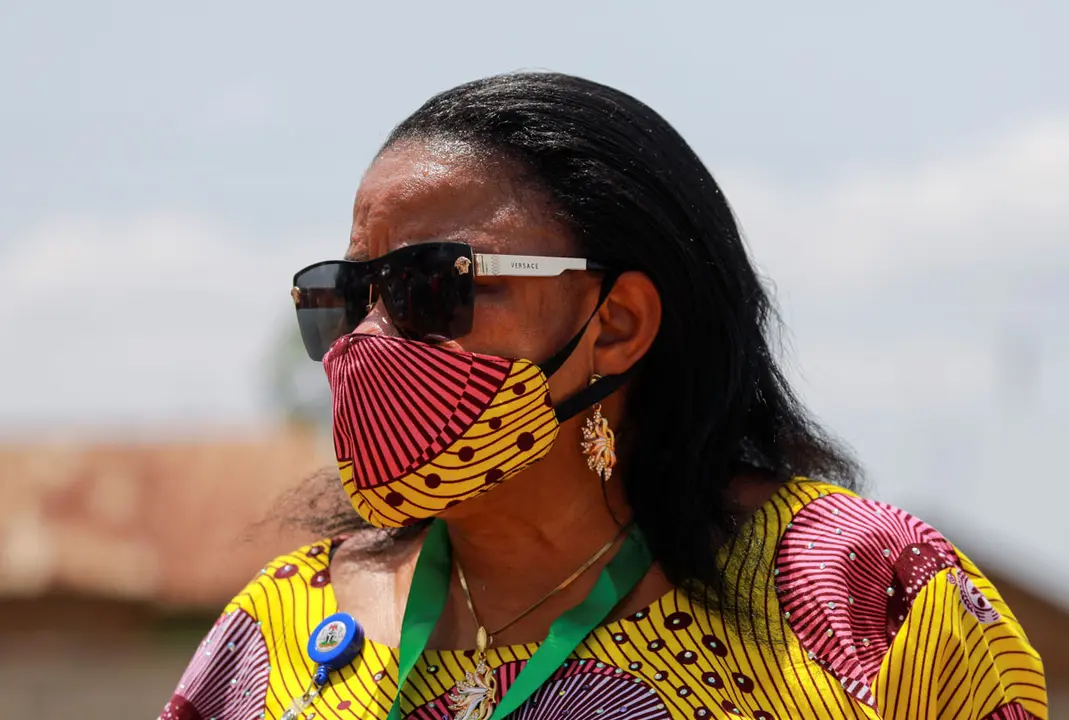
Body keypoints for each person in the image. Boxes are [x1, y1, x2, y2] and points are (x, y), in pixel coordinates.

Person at [161, 72, 1047, 720]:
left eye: (432, 287)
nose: (367, 339)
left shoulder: (863, 596)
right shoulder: (279, 632)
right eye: (345, 297)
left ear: (616, 324)